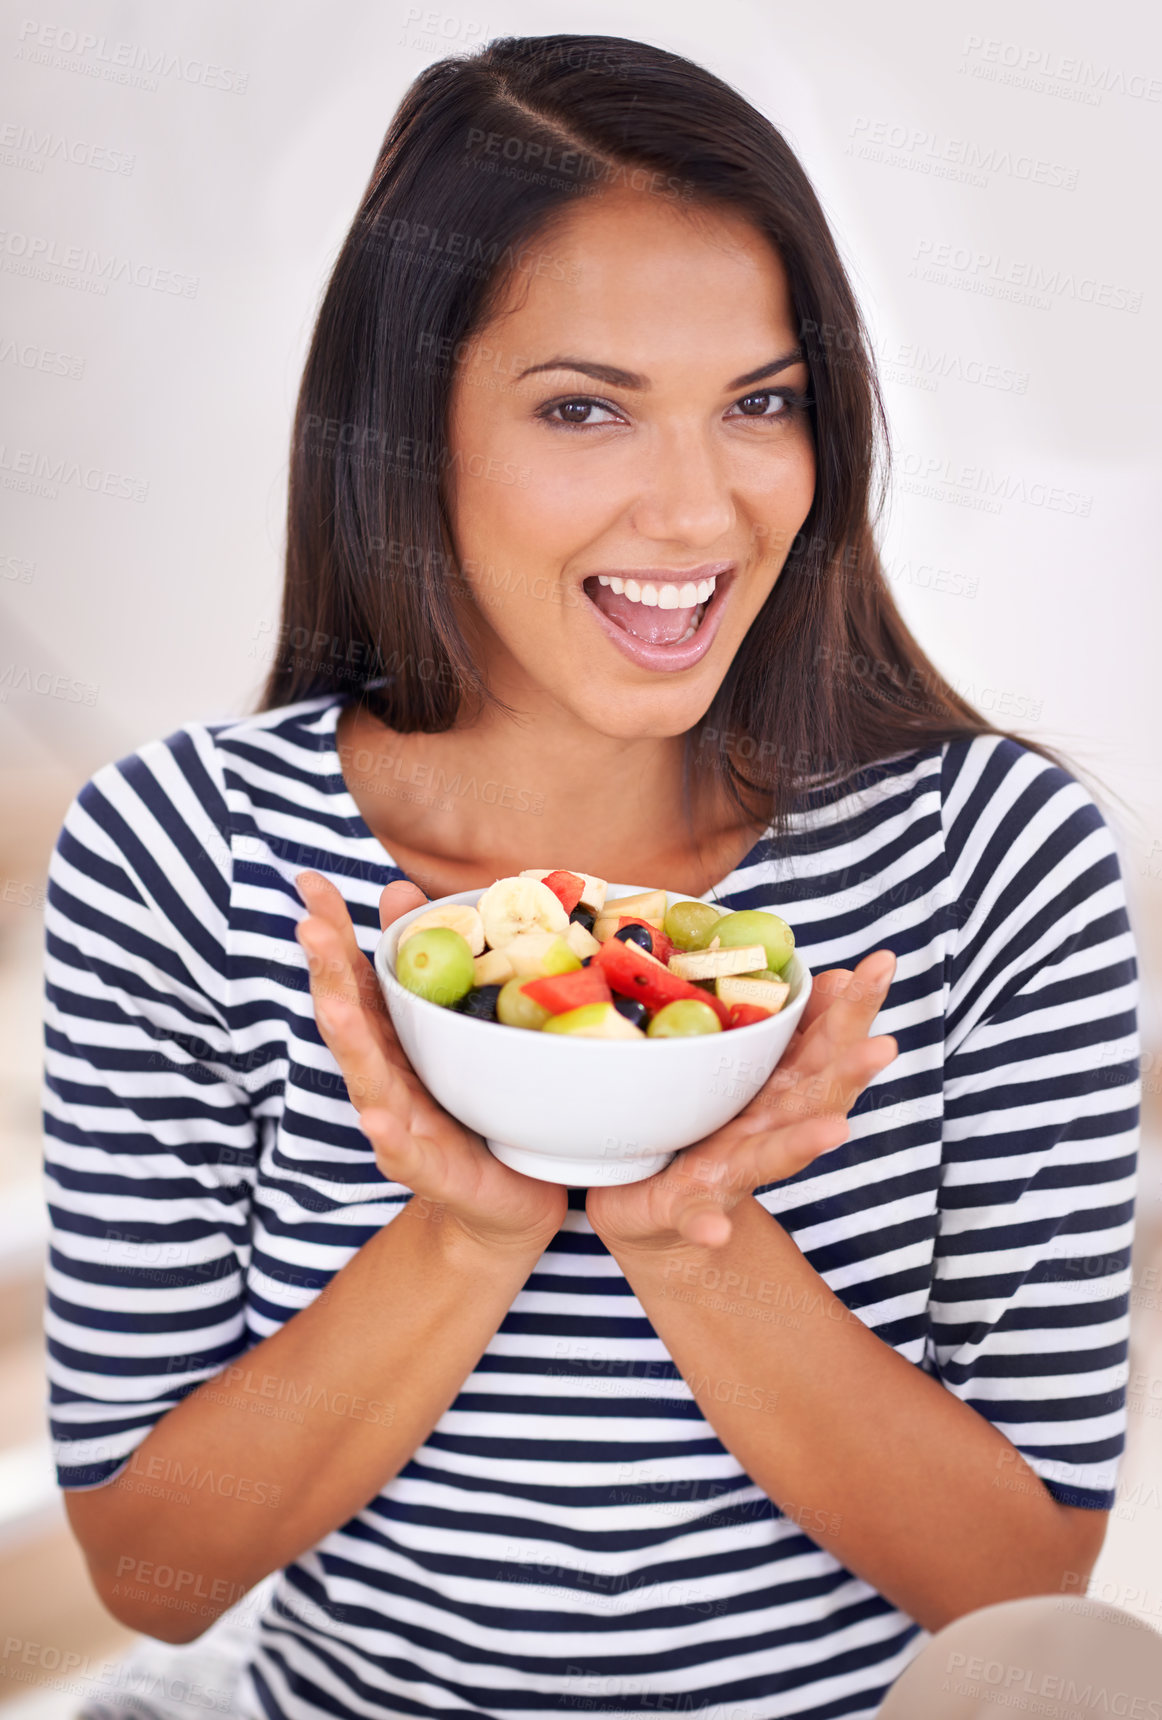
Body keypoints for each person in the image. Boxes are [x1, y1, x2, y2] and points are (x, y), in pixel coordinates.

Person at [41, 33, 1141, 1720]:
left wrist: (690, 1230)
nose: (697, 510)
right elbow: (154, 1572)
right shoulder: (182, 852)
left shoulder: (994, 860)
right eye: (583, 410)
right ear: (411, 433)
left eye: (760, 405)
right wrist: (466, 1227)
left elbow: (1017, 1590)